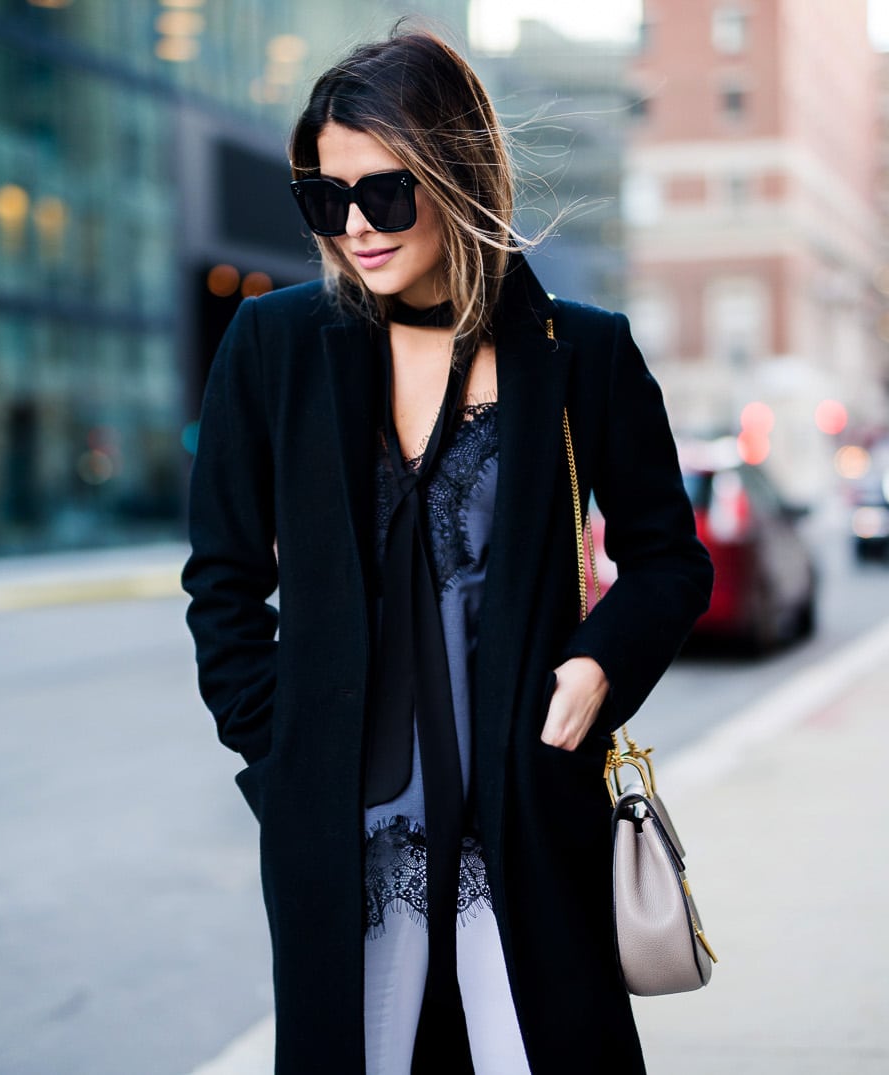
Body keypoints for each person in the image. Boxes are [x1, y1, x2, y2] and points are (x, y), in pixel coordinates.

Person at [182, 28, 713, 1075]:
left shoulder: (580, 354)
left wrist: (598, 662)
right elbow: (223, 581)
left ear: (453, 174)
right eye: (323, 199)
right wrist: (277, 755)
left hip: (524, 821)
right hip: (346, 834)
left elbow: (668, 559)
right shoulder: (275, 347)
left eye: (382, 195)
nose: (353, 229)